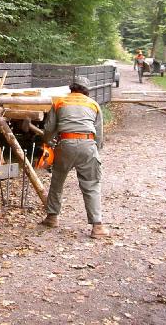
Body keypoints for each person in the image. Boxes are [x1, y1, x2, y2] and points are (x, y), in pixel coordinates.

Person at [39, 76, 109, 239]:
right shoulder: (93, 104)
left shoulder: (59, 102)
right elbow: (99, 133)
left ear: (71, 88)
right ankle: (97, 227)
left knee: (57, 181)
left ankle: (52, 217)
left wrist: (49, 142)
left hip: (66, 144)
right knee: (91, 185)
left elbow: (49, 128)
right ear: (86, 90)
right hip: (88, 144)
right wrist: (95, 151)